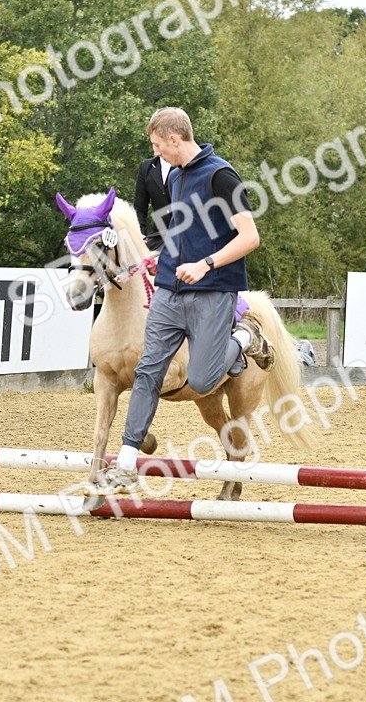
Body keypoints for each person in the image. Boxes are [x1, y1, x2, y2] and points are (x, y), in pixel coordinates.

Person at [103, 107, 274, 490]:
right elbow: (182, 234)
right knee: (148, 371)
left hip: (212, 291)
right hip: (169, 290)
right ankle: (127, 461)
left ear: (175, 139)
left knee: (201, 379)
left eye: (158, 145)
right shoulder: (175, 177)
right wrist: (160, 260)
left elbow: (250, 238)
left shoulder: (220, 175)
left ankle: (245, 337)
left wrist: (205, 264)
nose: (156, 152)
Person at [134, 149, 172, 251]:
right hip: (158, 237)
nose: (155, 148)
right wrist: (140, 234)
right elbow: (139, 208)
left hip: (184, 235)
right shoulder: (146, 167)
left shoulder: (185, 165)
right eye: (153, 143)